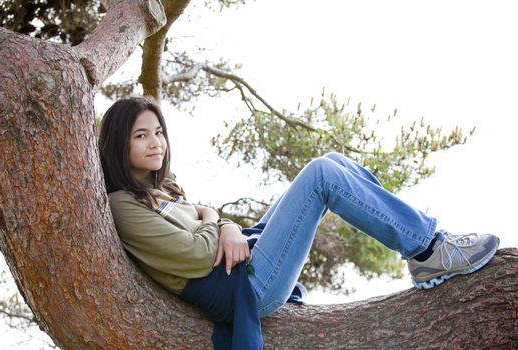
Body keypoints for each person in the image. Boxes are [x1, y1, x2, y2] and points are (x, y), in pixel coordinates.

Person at [98, 96, 500, 349]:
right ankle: (428, 249)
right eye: (141, 136)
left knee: (334, 163)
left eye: (158, 133)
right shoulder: (121, 205)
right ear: (120, 144)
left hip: (244, 261)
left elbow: (216, 229)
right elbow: (198, 256)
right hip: (244, 287)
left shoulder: (163, 190)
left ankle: (424, 241)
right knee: (322, 175)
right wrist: (215, 219)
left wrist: (226, 225)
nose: (156, 143)